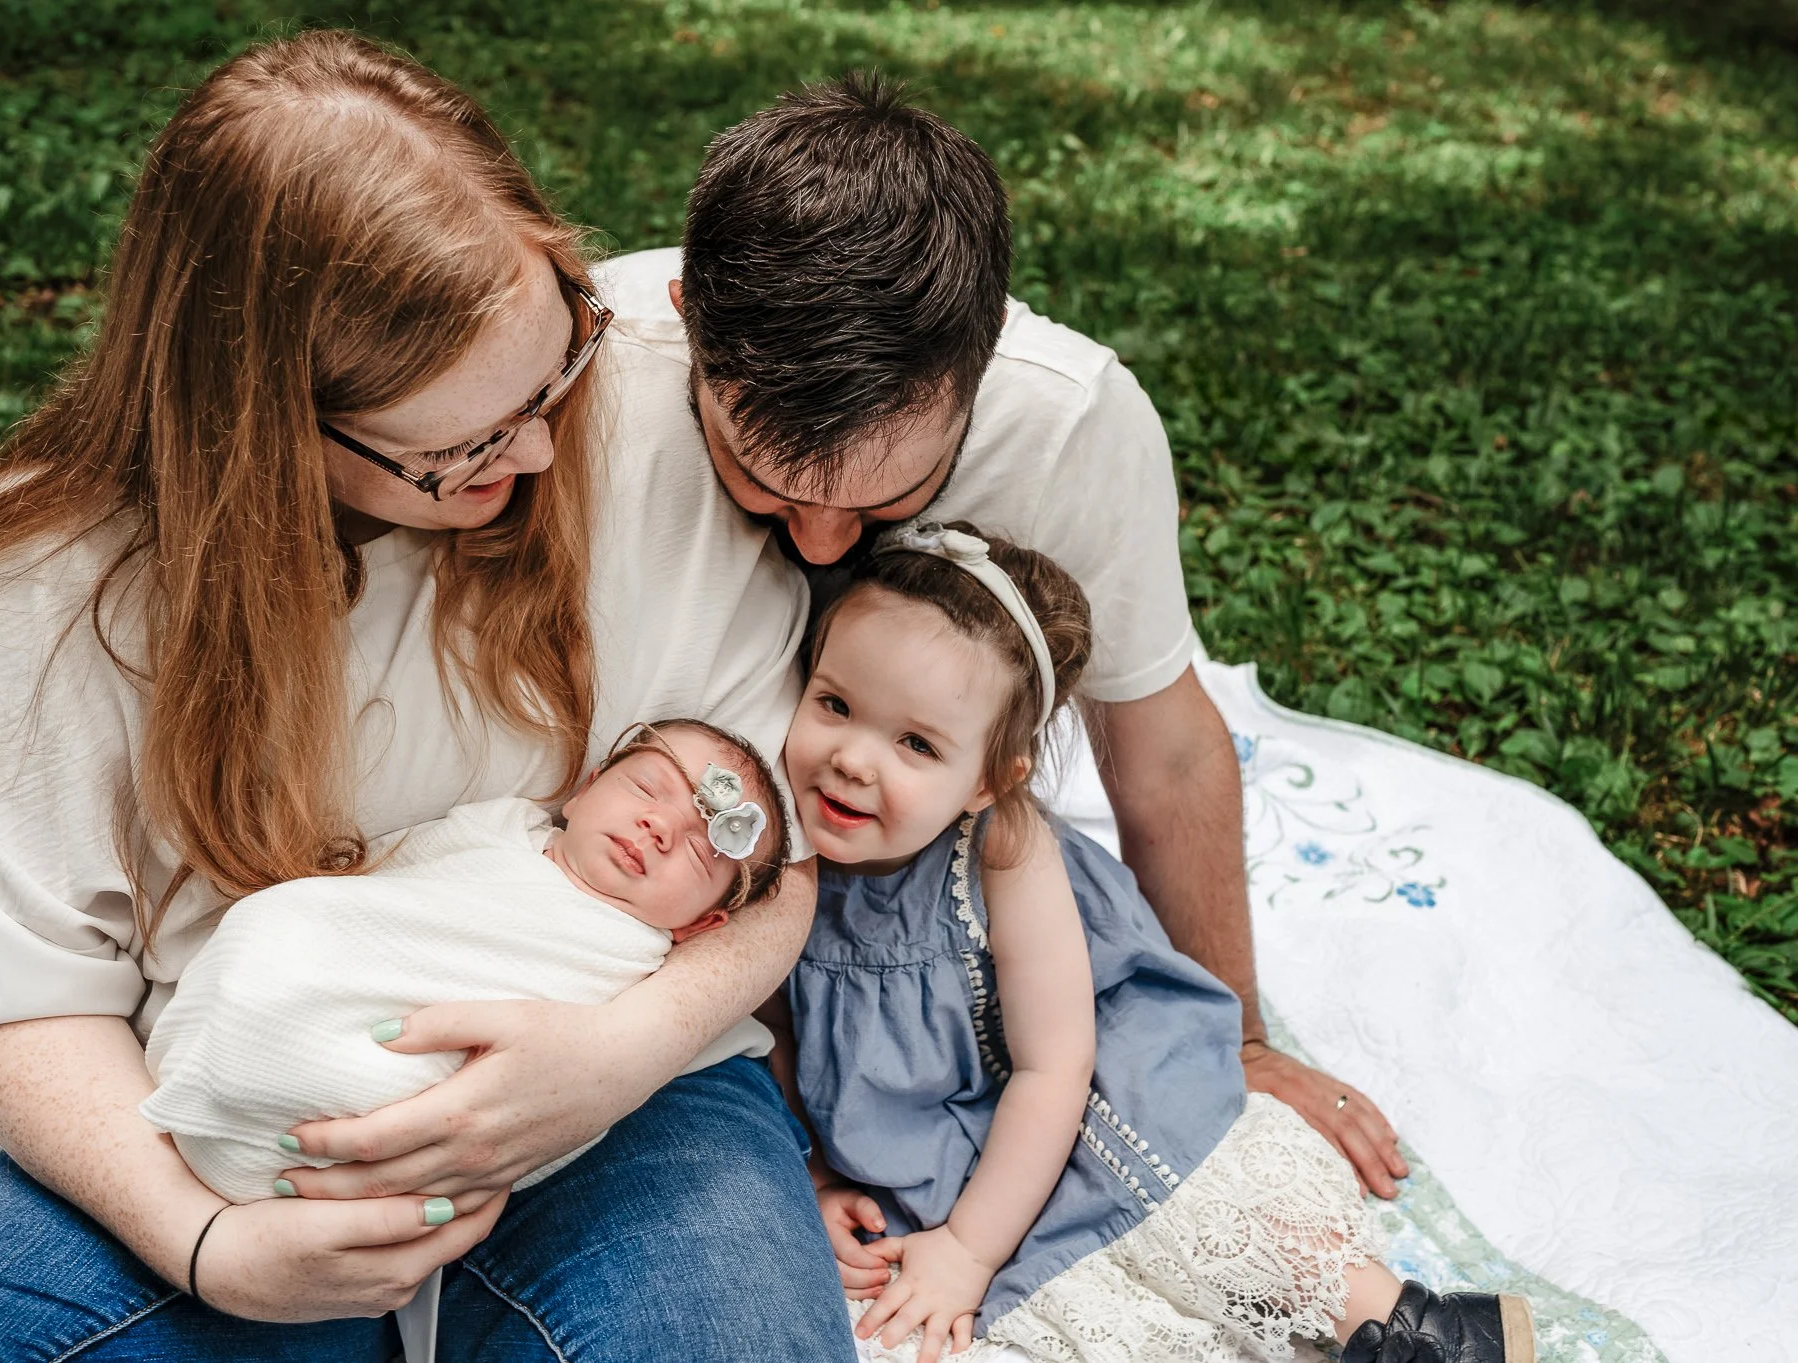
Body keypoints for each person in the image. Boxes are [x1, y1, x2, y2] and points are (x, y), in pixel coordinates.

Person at [0, 31, 855, 1362]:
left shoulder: (630, 395)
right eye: (457, 449)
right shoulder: (63, 581)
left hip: (635, 1095)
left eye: (551, 368)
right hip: (241, 1117)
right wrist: (204, 1241)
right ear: (269, 428)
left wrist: (624, 1049)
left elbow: (783, 859)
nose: (535, 445)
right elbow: (24, 993)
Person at [591, 74, 1412, 1200]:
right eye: (759, 480)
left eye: (892, 494)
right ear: (689, 323)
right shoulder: (587, 392)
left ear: (978, 364)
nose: (826, 542)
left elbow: (1160, 746)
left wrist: (1241, 1042)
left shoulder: (1071, 424)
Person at [777, 521, 1533, 1363]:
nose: (852, 759)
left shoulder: (1002, 847)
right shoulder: (774, 854)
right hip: (931, 1150)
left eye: (915, 743)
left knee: (1203, 1205)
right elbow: (768, 1034)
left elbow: (1052, 1065)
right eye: (835, 704)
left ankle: (1414, 1332)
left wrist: (969, 1249)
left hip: (1090, 1070)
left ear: (989, 780)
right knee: (1054, 1319)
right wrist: (815, 1174)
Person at [143, 719, 788, 1206]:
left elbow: (582, 1087)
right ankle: (239, 1055)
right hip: (311, 978)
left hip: (407, 1101)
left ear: (702, 924)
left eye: (703, 854)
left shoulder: (636, 967)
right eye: (646, 788)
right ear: (585, 789)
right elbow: (389, 877)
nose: (660, 828)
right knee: (279, 925)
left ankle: (267, 1108)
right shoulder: (498, 827)